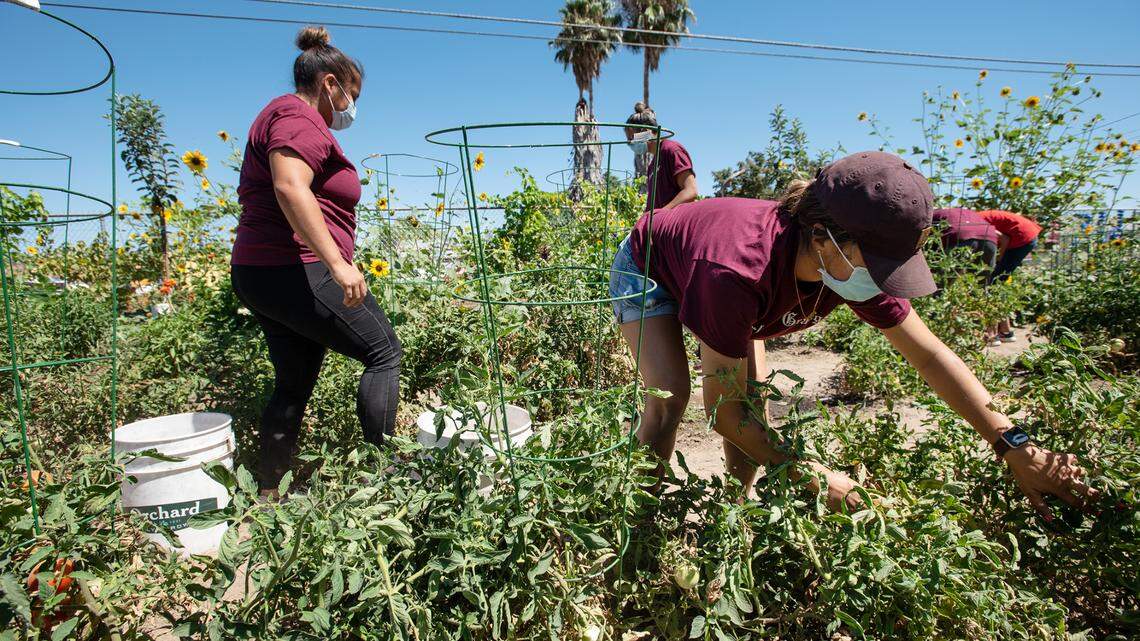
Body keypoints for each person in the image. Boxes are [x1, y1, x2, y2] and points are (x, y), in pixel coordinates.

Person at [608, 151, 1097, 521]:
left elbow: (930, 357)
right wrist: (814, 476)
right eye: (880, 266)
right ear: (821, 237)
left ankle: (737, 515)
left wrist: (1013, 443)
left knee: (750, 405)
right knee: (671, 398)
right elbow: (721, 414)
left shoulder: (848, 264)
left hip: (737, 285)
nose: (885, 281)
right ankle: (639, 526)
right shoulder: (735, 273)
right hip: (651, 263)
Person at [230, 26, 401, 495]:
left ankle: (273, 489)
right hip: (296, 266)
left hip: (265, 270)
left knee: (294, 379)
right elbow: (289, 185)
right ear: (329, 84)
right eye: (351, 95)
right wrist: (338, 264)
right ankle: (385, 478)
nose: (350, 107)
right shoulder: (296, 116)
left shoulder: (284, 116)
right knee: (383, 352)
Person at [977, 209, 1042, 345]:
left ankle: (992, 335)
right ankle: (1005, 332)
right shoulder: (976, 218)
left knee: (991, 286)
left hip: (1021, 238)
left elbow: (1003, 238)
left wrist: (999, 259)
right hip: (1027, 235)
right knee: (997, 286)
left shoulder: (974, 222)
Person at [625, 103, 698, 211]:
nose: (630, 143)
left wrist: (661, 214)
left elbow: (691, 191)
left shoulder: (672, 150)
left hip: (673, 223)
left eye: (632, 138)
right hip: (660, 225)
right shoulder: (653, 165)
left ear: (646, 132)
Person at [932, 207, 999, 272]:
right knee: (982, 279)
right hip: (989, 236)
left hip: (962, 236)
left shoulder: (932, 214)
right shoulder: (964, 211)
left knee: (943, 276)